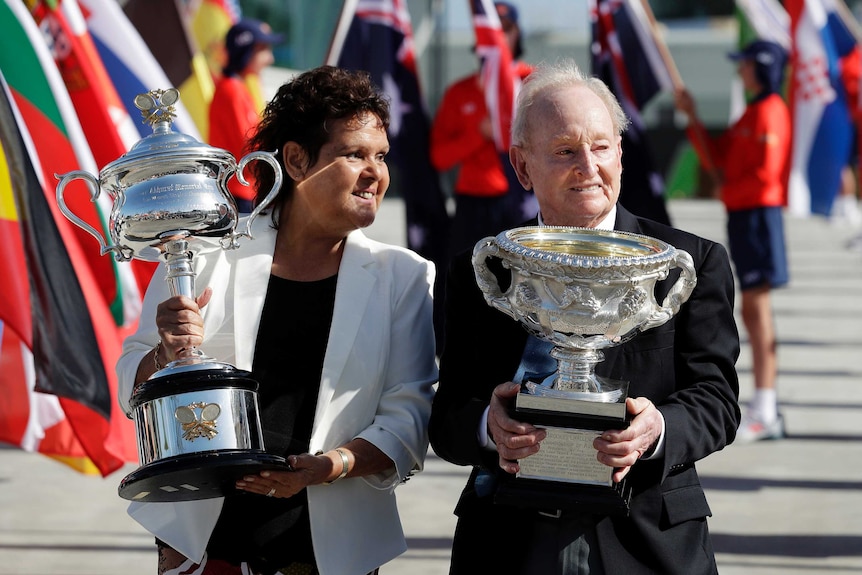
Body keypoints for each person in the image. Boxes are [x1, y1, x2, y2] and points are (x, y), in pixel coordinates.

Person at [117, 65, 438, 575]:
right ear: (295, 159)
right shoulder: (199, 253)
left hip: (329, 552)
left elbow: (409, 417)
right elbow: (131, 392)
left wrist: (331, 467)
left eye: (381, 156)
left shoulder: (404, 276)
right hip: (205, 543)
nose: (374, 172)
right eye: (354, 154)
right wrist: (164, 353)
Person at [429, 59, 740, 574]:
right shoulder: (482, 269)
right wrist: (490, 425)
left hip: (649, 543)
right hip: (507, 543)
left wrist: (656, 430)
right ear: (522, 165)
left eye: (600, 146)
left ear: (621, 152)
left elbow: (717, 400)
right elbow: (449, 415)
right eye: (565, 151)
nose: (588, 166)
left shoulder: (688, 263)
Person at [675, 40, 790, 443]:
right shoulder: (752, 113)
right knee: (753, 310)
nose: (739, 71)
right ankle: (766, 404)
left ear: (759, 68)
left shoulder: (771, 112)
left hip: (757, 216)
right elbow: (716, 158)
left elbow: (765, 177)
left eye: (744, 65)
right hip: (743, 214)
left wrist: (729, 188)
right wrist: (692, 118)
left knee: (757, 309)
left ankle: (767, 406)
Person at [430, 1, 533, 257]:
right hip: (473, 202)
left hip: (524, 196)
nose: (497, 36)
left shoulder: (535, 84)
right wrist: (479, 133)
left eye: (505, 28)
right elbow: (439, 157)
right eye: (491, 29)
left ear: (517, 33)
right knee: (465, 281)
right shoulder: (459, 92)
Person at [209, 18, 283, 213]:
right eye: (264, 49)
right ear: (247, 51)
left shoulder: (237, 87)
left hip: (243, 190)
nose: (270, 59)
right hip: (238, 193)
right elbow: (249, 150)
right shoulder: (231, 90)